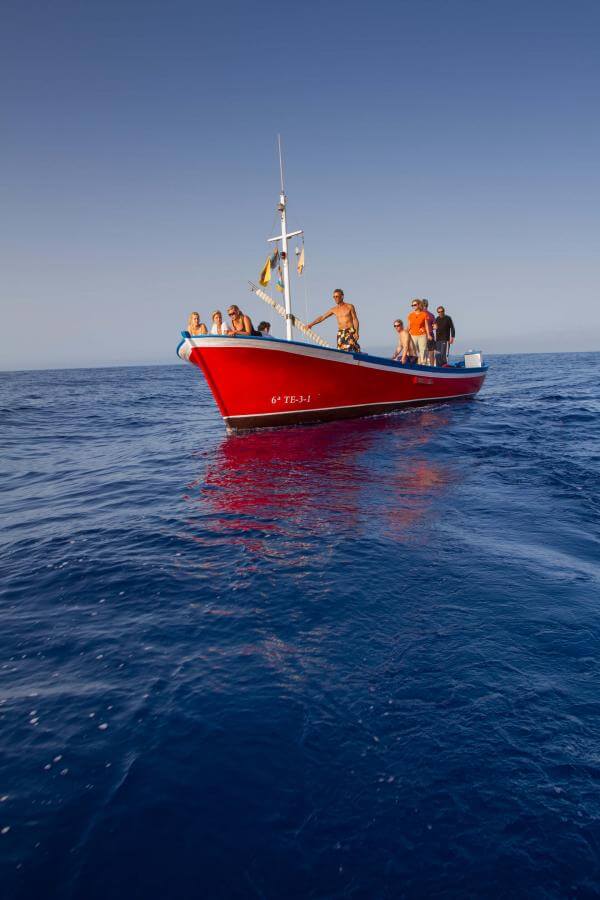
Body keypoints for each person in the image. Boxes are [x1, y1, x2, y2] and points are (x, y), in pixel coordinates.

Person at [407, 299, 431, 365]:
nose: (413, 306)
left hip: (422, 335)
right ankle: (415, 364)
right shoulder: (410, 315)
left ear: (419, 305)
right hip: (413, 335)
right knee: (413, 351)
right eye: (412, 305)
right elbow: (409, 326)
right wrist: (405, 333)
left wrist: (428, 335)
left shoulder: (424, 314)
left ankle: (423, 365)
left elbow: (426, 325)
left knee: (422, 351)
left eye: (415, 305)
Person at [421, 299, 437, 366]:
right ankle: (432, 367)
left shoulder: (420, 314)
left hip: (422, 334)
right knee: (431, 351)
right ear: (427, 305)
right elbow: (435, 327)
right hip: (430, 334)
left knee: (421, 351)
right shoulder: (432, 315)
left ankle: (421, 366)